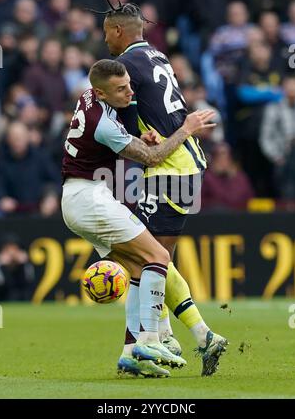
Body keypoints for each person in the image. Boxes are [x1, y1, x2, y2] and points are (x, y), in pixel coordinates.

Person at [93, 0, 228, 376]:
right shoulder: (156, 56)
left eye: (107, 33)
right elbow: (151, 109)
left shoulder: (125, 66)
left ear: (119, 31)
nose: (105, 41)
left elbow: (122, 110)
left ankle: (159, 342)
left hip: (171, 167)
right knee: (149, 258)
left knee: (147, 258)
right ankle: (171, 339)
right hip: (182, 163)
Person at [61, 59, 217, 377]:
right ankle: (150, 338)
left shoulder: (88, 97)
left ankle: (130, 353)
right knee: (158, 256)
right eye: (121, 89)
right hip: (91, 199)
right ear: (102, 93)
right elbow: (155, 157)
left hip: (78, 199)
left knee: (136, 267)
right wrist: (185, 130)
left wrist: (135, 139)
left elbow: (112, 142)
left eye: (130, 84)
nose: (130, 92)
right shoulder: (101, 121)